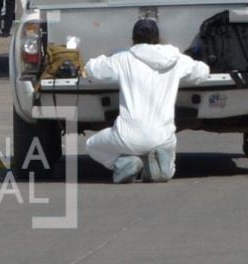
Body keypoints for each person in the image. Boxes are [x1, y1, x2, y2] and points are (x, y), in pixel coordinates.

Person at [83, 19, 211, 184]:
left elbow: (93, 70)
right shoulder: (175, 59)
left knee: (91, 145)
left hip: (126, 137)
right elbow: (202, 72)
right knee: (166, 157)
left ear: (133, 39)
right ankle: (162, 169)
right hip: (162, 137)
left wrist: (98, 59)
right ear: (157, 38)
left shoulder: (123, 59)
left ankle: (124, 163)